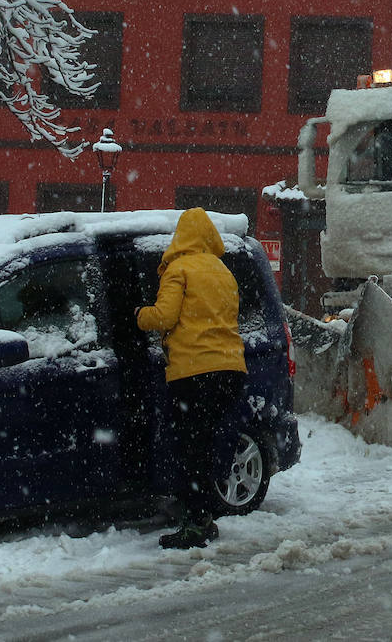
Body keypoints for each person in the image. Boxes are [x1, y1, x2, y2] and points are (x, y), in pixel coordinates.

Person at [136, 208, 247, 549]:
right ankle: (205, 517)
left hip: (194, 373)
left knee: (190, 450)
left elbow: (165, 316)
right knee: (208, 445)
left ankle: (195, 525)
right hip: (231, 370)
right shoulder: (223, 270)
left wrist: (140, 315)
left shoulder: (178, 268)